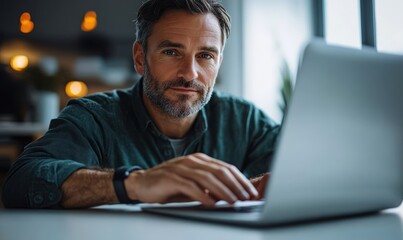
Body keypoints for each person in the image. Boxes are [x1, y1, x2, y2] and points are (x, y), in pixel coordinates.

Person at [2, 0, 279, 209]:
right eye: (171, 52)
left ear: (218, 63)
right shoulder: (94, 118)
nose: (190, 73)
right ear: (139, 58)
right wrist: (136, 183)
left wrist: (248, 187)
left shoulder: (244, 119)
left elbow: (304, 170)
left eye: (205, 55)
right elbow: (21, 182)